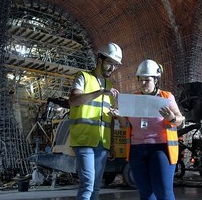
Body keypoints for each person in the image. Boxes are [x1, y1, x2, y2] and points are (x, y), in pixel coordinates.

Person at [123, 59, 185, 200]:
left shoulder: (166, 97)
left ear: (156, 80)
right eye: (141, 80)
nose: (143, 84)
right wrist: (117, 113)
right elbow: (124, 123)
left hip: (160, 149)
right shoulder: (133, 99)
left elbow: (181, 120)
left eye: (147, 80)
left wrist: (172, 118)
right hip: (136, 150)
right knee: (146, 194)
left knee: (163, 193)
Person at [68, 42, 122, 200]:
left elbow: (109, 118)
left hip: (102, 143)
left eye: (115, 65)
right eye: (110, 63)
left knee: (96, 186)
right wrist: (99, 92)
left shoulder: (110, 86)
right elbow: (73, 100)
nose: (112, 68)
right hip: (84, 139)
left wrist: (111, 144)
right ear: (100, 60)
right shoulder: (83, 77)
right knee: (88, 184)